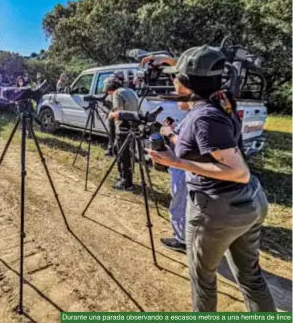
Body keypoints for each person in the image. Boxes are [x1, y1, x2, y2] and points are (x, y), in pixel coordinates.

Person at [147, 45, 276, 312]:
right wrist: (172, 136)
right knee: (251, 278)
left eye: (175, 75)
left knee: (203, 280)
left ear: (185, 82)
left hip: (219, 208)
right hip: (249, 204)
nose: (172, 80)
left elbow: (238, 172)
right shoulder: (222, 97)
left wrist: (176, 162)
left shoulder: (204, 117)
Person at [159, 103, 189, 254]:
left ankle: (181, 240)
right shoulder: (198, 113)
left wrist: (169, 133)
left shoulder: (198, 114)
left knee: (180, 201)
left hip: (184, 166)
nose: (176, 100)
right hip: (189, 166)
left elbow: (185, 144)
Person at [105, 75, 138, 191]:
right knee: (127, 154)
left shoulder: (117, 94)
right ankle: (124, 176)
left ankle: (126, 182)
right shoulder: (129, 91)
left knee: (122, 155)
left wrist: (111, 115)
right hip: (133, 125)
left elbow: (119, 112)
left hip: (123, 126)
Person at [105, 71, 125, 158]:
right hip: (113, 111)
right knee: (112, 132)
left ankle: (115, 152)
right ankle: (110, 150)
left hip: (117, 112)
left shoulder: (121, 88)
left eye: (121, 78)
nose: (120, 79)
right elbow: (107, 95)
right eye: (118, 77)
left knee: (117, 133)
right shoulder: (111, 83)